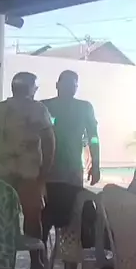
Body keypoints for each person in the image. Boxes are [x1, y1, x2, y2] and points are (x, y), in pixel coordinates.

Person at [0, 71, 56, 269]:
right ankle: (36, 262)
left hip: (2, 173)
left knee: (3, 218)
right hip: (29, 173)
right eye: (35, 87)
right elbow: (49, 141)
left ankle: (3, 261)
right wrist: (44, 173)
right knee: (32, 218)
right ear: (31, 88)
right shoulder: (37, 109)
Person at [40, 70, 101, 245]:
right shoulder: (44, 106)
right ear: (57, 85)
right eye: (66, 84)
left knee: (74, 214)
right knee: (45, 215)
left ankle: (69, 251)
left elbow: (93, 137)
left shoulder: (84, 107)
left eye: (73, 85)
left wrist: (95, 163)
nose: (70, 88)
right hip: (48, 171)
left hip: (72, 172)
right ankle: (41, 255)